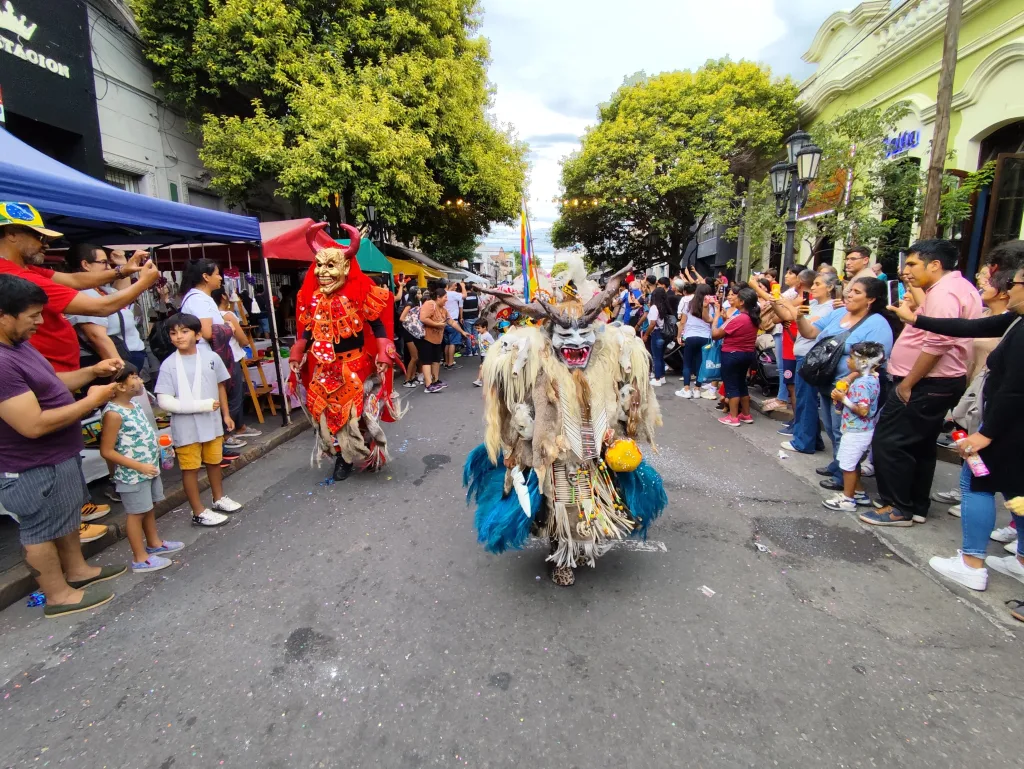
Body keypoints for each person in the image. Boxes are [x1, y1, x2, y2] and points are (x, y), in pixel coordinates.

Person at [466, 262, 665, 586]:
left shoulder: (603, 367)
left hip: (593, 457)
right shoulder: (541, 374)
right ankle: (562, 557)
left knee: (590, 507)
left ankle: (580, 546)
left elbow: (617, 404)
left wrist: (624, 417)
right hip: (558, 459)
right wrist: (525, 438)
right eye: (565, 338)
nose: (575, 345)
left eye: (583, 336)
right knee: (561, 510)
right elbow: (525, 416)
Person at [887, 246, 1024, 614]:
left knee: (979, 486)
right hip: (1005, 425)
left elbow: (1014, 390)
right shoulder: (1014, 320)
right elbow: (967, 327)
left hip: (1006, 428)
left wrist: (986, 434)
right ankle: (1021, 559)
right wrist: (916, 320)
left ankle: (972, 563)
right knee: (1017, 490)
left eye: (1016, 283)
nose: (1009, 290)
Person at [0, 274, 127, 617]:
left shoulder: (19, 346)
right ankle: (56, 595)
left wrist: (93, 372)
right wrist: (91, 401)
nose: (40, 323)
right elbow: (32, 424)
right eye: (33, 316)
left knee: (66, 515)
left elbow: (51, 382)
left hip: (57, 455)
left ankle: (77, 571)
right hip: (30, 464)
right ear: (3, 315)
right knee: (39, 528)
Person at [862, 239, 982, 527]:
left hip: (926, 382)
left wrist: (908, 384)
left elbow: (938, 343)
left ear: (935, 264)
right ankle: (914, 504)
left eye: (913, 264)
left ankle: (898, 507)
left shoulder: (945, 292)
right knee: (920, 445)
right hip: (936, 381)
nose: (907, 271)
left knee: (890, 442)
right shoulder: (954, 288)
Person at [290, 228, 404, 479]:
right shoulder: (312, 298)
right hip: (323, 367)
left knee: (359, 414)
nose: (323, 272)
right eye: (319, 265)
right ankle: (342, 457)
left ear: (345, 267)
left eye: (331, 266)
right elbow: (308, 330)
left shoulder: (360, 293)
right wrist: (298, 353)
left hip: (355, 365)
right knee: (326, 416)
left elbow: (377, 325)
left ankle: (366, 447)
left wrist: (384, 355)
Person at [794, 277, 895, 491]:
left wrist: (849, 379)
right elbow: (810, 332)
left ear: (871, 299)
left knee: (845, 431)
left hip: (852, 388)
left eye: (856, 292)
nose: (849, 295)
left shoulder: (877, 324)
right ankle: (839, 463)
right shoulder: (839, 313)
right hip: (826, 381)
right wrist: (800, 317)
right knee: (830, 427)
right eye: (849, 290)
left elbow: (876, 359)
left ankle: (845, 478)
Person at [154, 313, 241, 525]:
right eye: (173, 333)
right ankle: (198, 511)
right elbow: (164, 400)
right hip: (186, 426)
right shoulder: (168, 365)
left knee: (214, 461)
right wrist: (200, 406)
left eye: (184, 331)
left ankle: (218, 498)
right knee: (190, 468)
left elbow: (220, 385)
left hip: (211, 421)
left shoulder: (211, 358)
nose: (178, 337)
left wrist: (226, 415)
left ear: (198, 334)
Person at [99, 362, 184, 573]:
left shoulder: (134, 405)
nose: (139, 380)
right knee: (136, 514)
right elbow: (107, 450)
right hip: (132, 474)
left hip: (149, 468)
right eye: (134, 376)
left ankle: (154, 544)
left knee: (148, 507)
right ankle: (140, 558)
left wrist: (160, 449)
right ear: (119, 386)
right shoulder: (113, 414)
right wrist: (139, 466)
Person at [179, 259, 257, 457]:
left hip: (209, 357)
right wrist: (228, 327)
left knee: (216, 398)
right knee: (213, 400)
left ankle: (218, 443)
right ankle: (217, 444)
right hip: (206, 357)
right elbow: (206, 332)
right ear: (205, 277)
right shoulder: (199, 300)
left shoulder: (198, 298)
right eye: (216, 273)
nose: (220, 277)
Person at [776, 271, 838, 454]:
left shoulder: (830, 308)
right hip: (802, 354)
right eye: (814, 284)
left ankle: (804, 441)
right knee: (804, 398)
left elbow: (809, 328)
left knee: (806, 399)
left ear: (830, 287)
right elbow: (787, 316)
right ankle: (813, 439)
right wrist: (776, 303)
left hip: (812, 358)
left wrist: (785, 301)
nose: (813, 288)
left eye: (818, 284)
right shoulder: (811, 304)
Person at [820, 342, 886, 512]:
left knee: (847, 466)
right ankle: (859, 492)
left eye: (850, 357)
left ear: (863, 362)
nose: (848, 361)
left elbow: (863, 410)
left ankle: (848, 499)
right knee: (852, 463)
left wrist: (844, 399)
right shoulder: (871, 378)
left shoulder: (863, 384)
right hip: (858, 429)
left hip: (857, 430)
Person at [64, 244, 149, 373]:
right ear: (86, 265)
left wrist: (123, 265)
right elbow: (97, 337)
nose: (109, 267)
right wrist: (122, 372)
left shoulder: (103, 289)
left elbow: (123, 295)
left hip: (130, 356)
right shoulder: (82, 295)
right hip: (111, 362)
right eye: (103, 263)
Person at [212, 287, 261, 453]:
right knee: (234, 395)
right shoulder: (227, 315)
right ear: (224, 297)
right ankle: (229, 432)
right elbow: (243, 339)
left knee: (222, 395)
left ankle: (235, 427)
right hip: (230, 359)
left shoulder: (209, 317)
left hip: (215, 359)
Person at [711, 286, 759, 426]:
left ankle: (733, 417)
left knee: (732, 386)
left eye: (737, 297)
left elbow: (716, 335)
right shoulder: (753, 318)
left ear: (742, 302)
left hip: (732, 355)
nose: (734, 299)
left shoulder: (738, 318)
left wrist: (716, 320)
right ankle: (746, 414)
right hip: (747, 354)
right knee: (742, 384)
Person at [675, 283, 713, 399]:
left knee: (687, 363)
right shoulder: (712, 306)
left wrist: (679, 336)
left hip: (690, 336)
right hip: (705, 336)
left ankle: (686, 389)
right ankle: (697, 389)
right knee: (701, 364)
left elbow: (682, 322)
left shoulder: (688, 305)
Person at [418, 285, 450, 393]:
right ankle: (428, 385)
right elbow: (423, 318)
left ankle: (436, 381)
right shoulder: (429, 304)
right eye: (445, 297)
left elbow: (451, 321)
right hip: (426, 337)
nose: (447, 299)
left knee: (436, 360)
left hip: (437, 339)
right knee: (427, 361)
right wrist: (436, 324)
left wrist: (463, 332)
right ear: (438, 297)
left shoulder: (443, 309)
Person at [645, 279, 673, 386]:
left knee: (656, 357)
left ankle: (657, 378)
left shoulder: (654, 308)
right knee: (661, 356)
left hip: (656, 333)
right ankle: (661, 377)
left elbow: (652, 323)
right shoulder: (665, 307)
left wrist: (647, 334)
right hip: (664, 333)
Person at [399, 286, 423, 389]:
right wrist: (412, 323)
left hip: (414, 333)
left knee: (415, 357)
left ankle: (412, 377)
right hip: (409, 333)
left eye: (420, 293)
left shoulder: (416, 303)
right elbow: (402, 318)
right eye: (417, 293)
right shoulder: (410, 304)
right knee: (414, 357)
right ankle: (407, 380)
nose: (420, 295)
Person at [443, 282, 465, 368]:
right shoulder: (453, 294)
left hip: (444, 322)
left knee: (447, 343)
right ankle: (451, 363)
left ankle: (446, 362)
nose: (456, 288)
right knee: (452, 343)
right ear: (451, 286)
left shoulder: (443, 294)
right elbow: (464, 295)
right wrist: (463, 286)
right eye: (455, 286)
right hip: (453, 321)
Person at [472, 319, 495, 387]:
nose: (477, 330)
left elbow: (494, 343)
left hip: (488, 354)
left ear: (485, 327)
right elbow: (480, 342)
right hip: (483, 354)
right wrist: (474, 341)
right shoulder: (479, 335)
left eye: (479, 328)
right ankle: (490, 379)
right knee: (487, 368)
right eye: (476, 328)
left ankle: (479, 380)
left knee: (481, 367)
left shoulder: (488, 335)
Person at [462, 285, 481, 357]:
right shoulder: (476, 295)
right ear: (472, 288)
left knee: (468, 335)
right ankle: (475, 350)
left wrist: (461, 317)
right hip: (475, 317)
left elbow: (461, 307)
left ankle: (469, 352)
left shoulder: (463, 296)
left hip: (466, 317)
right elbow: (480, 305)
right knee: (475, 335)